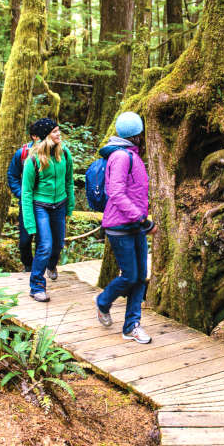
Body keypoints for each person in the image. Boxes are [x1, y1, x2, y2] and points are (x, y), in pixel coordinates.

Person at [95, 111, 156, 344]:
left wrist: (140, 221)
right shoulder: (121, 157)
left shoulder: (132, 155)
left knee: (140, 277)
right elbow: (116, 193)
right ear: (137, 135)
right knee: (130, 275)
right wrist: (141, 219)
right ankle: (103, 301)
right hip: (121, 225)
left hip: (135, 225)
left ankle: (132, 325)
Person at [21, 118, 74, 302]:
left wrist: (70, 205)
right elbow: (26, 192)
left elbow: (69, 181)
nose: (59, 134)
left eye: (58, 130)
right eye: (54, 132)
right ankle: (36, 286)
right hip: (40, 205)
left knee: (58, 244)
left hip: (59, 204)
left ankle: (51, 265)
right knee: (45, 246)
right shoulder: (33, 159)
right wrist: (29, 221)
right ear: (45, 136)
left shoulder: (64, 153)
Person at [6, 121, 41, 272]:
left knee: (43, 239)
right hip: (27, 203)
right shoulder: (23, 153)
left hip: (45, 202)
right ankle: (28, 265)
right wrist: (21, 194)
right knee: (25, 240)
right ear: (34, 136)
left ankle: (40, 268)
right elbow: (12, 175)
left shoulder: (54, 153)